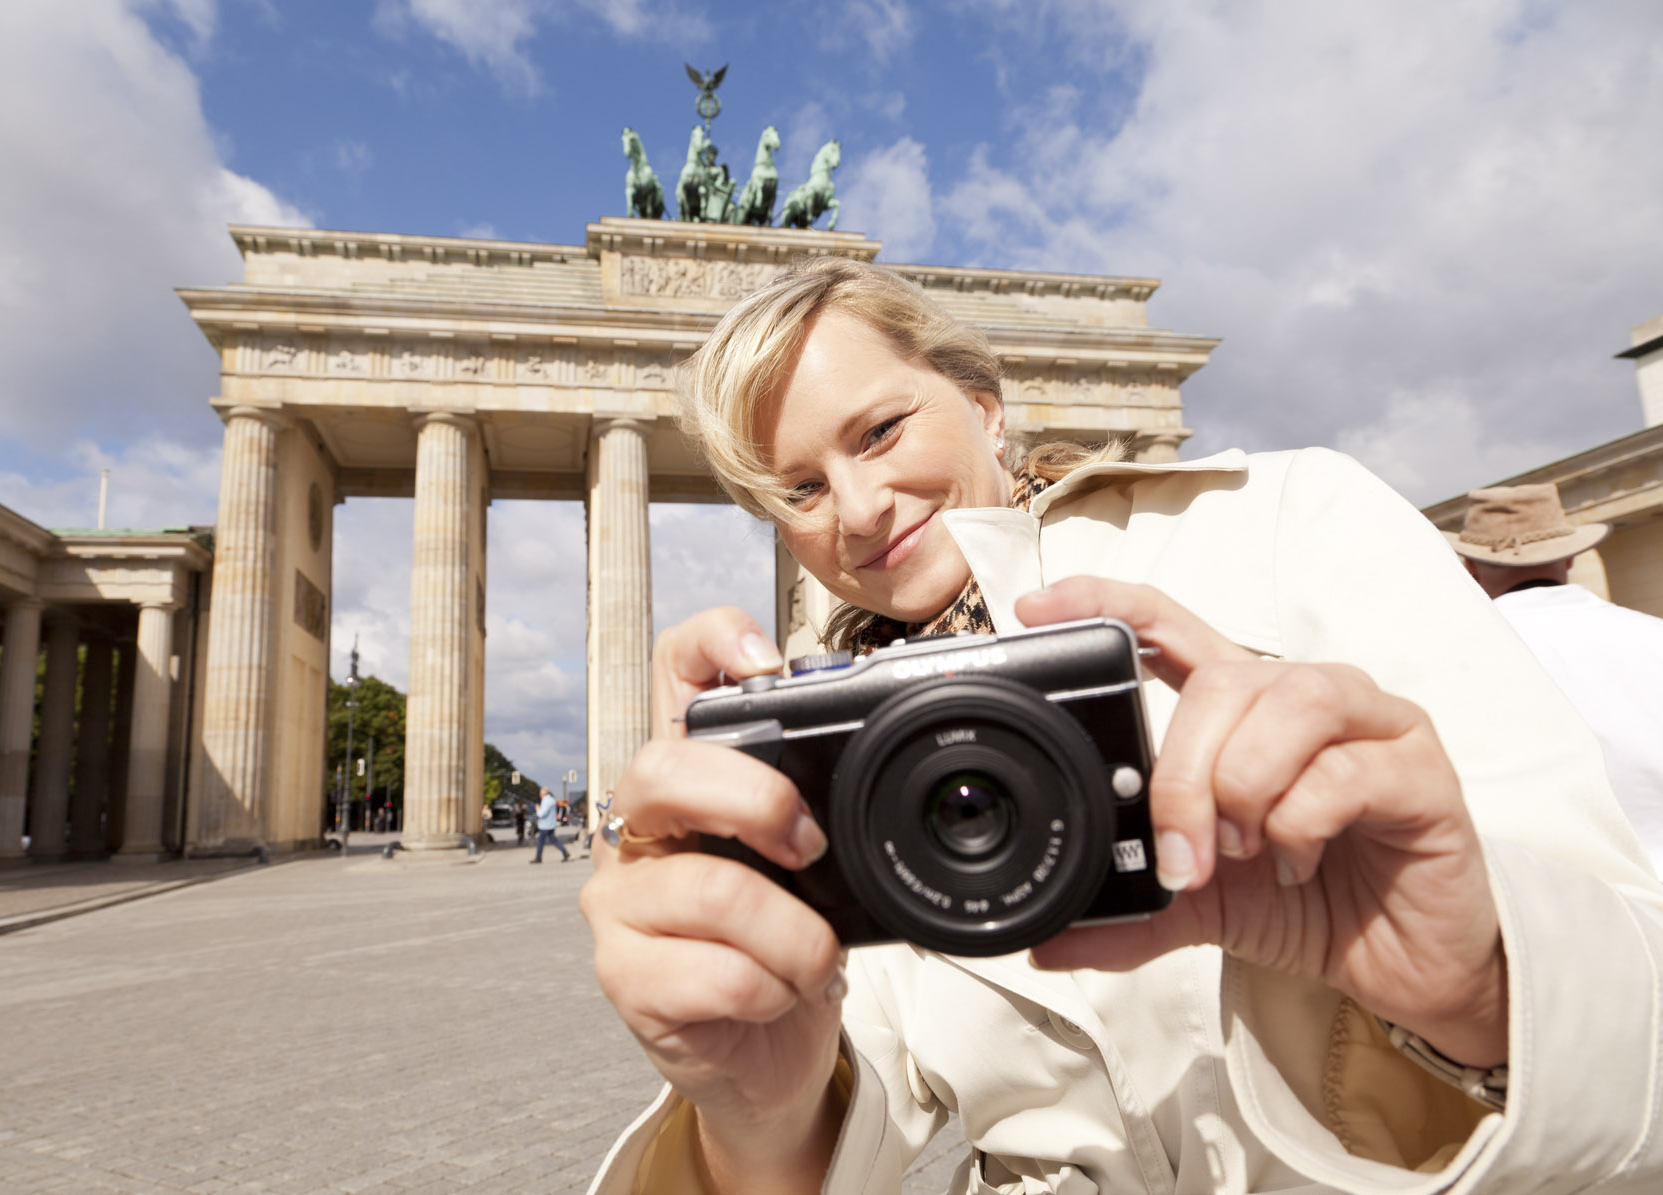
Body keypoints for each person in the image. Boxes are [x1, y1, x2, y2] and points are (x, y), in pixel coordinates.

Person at [578, 258, 1663, 1194]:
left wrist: (1479, 984)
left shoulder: (1282, 521)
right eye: (800, 488)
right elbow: (850, 1102)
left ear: (983, 401)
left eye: (882, 430)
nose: (858, 510)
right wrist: (754, 1114)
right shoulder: (821, 754)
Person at [1446, 483, 1663, 876]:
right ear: (1569, 560)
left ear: (1471, 569)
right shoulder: (1655, 636)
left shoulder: (1454, 657)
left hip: (1565, 907)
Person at [531, 787, 571, 864]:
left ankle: (538, 858)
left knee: (540, 842)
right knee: (554, 840)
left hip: (545, 825)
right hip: (551, 824)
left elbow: (541, 814)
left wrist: (538, 809)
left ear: (542, 794)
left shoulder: (546, 801)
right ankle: (565, 852)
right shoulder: (553, 800)